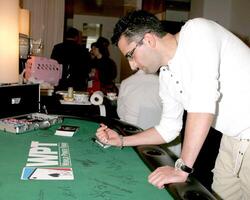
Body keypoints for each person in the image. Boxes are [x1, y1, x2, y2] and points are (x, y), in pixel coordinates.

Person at [96, 10, 250, 199]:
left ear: (149, 40)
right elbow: (168, 129)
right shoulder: (167, 75)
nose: (132, 66)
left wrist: (182, 168)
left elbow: (203, 105)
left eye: (130, 55)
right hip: (232, 140)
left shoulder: (197, 31)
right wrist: (121, 140)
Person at [117, 69, 181, 156]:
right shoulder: (168, 84)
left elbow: (121, 113)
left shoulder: (126, 82)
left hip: (132, 139)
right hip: (163, 147)